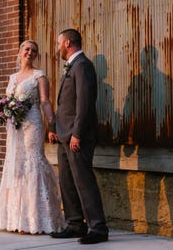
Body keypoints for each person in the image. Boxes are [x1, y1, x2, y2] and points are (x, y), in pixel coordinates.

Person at [0, 40, 64, 234]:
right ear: (20, 51)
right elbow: (8, 101)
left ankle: (35, 220)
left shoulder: (39, 76)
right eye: (27, 49)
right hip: (14, 128)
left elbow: (45, 102)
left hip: (32, 124)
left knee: (31, 163)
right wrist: (2, 112)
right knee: (16, 165)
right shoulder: (12, 77)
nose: (30, 53)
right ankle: (16, 219)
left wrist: (52, 124)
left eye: (34, 51)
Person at [48, 28, 109, 244]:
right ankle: (75, 224)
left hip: (77, 137)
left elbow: (85, 104)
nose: (57, 48)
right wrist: (54, 126)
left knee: (84, 182)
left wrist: (77, 133)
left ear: (67, 43)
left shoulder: (82, 66)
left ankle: (98, 228)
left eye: (59, 44)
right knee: (67, 182)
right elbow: (65, 103)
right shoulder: (71, 67)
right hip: (64, 135)